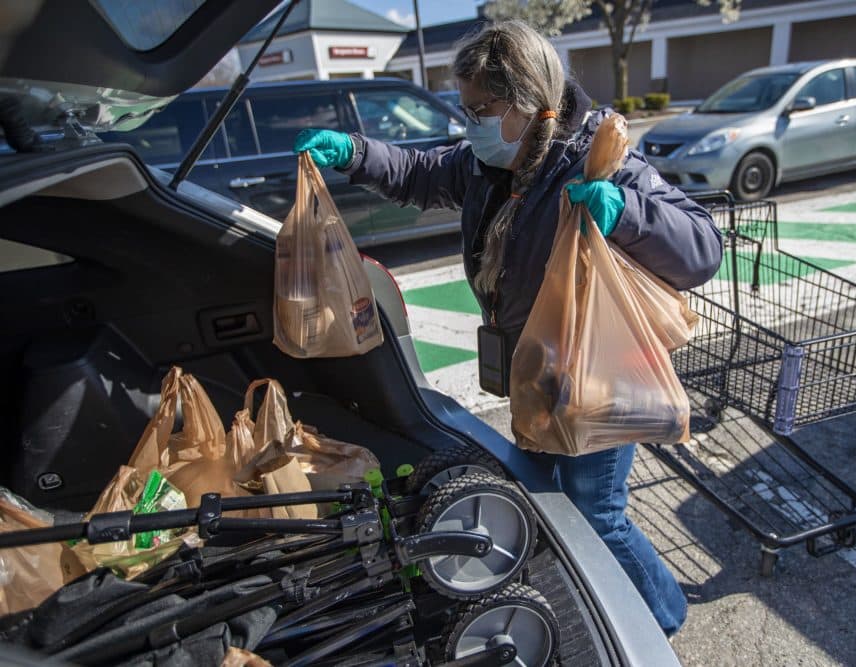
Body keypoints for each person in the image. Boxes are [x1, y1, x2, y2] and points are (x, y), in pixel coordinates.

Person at [294, 20, 723, 637]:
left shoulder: (595, 157)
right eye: (466, 110)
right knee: (547, 495)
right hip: (537, 366)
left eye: (482, 109)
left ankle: (663, 620)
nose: (471, 125)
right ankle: (592, 598)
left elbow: (703, 247)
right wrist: (355, 153)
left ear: (527, 101)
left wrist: (625, 212)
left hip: (597, 372)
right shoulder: (488, 165)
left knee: (596, 512)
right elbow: (419, 172)